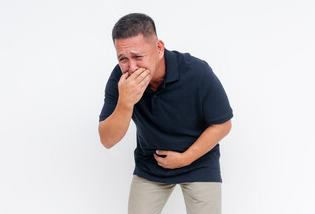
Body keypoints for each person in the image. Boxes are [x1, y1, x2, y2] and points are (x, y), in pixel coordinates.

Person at [98, 13, 233, 214]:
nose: (132, 67)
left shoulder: (197, 72)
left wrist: (185, 158)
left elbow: (223, 124)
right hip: (151, 164)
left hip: (199, 161)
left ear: (159, 48)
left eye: (138, 56)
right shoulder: (120, 80)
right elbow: (107, 140)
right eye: (123, 59)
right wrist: (125, 102)